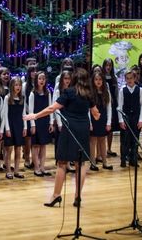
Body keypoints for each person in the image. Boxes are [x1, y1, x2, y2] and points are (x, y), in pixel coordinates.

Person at [24, 68, 100, 207]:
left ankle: (56, 195)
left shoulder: (69, 92)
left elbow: (52, 108)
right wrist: (96, 115)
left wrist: (35, 115)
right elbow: (95, 114)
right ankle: (78, 196)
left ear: (74, 78)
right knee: (81, 163)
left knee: (62, 163)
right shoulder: (88, 94)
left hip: (70, 129)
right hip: (83, 129)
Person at [117, 70, 142, 168]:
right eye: (127, 78)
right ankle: (123, 160)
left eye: (131, 78)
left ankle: (133, 159)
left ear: (135, 78)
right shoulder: (122, 90)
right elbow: (120, 106)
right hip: (126, 117)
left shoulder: (139, 89)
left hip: (136, 118)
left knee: (135, 139)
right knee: (125, 140)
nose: (129, 80)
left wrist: (141, 120)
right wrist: (121, 120)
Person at [28, 71, 53, 177]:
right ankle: (36, 168)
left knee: (43, 145)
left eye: (43, 78)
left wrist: (51, 123)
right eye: (40, 78)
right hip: (36, 122)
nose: (42, 80)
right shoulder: (33, 94)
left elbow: (50, 108)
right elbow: (31, 111)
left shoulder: (48, 93)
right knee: (35, 145)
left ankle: (42, 167)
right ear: (36, 80)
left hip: (45, 121)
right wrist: (32, 124)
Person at [3, 77, 27, 179]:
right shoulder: (7, 98)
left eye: (20, 85)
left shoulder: (22, 98)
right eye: (16, 85)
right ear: (12, 86)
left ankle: (16, 170)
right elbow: (5, 114)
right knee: (9, 149)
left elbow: (24, 113)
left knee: (18, 149)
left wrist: (25, 127)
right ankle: (8, 170)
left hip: (19, 125)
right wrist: (7, 128)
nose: (18, 87)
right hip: (10, 125)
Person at [89, 71, 113, 171]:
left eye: (100, 79)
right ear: (93, 81)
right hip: (93, 119)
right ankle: (93, 163)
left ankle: (105, 162)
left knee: (103, 141)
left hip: (103, 119)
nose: (98, 81)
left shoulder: (106, 93)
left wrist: (108, 122)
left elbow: (109, 108)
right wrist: (90, 123)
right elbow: (88, 109)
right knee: (93, 141)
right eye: (96, 79)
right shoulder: (90, 93)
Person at [102, 58, 119, 157]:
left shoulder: (114, 77)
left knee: (111, 127)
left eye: (110, 65)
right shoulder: (101, 77)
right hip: (103, 103)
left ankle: (109, 148)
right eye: (106, 65)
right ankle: (102, 149)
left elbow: (116, 91)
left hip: (112, 104)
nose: (108, 67)